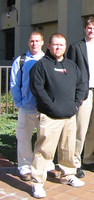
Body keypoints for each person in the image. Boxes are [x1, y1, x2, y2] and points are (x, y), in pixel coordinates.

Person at [29, 33, 86, 198]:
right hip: (50, 116)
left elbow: (81, 85)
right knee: (44, 151)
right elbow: (37, 89)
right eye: (55, 44)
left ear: (65, 47)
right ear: (48, 45)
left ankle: (68, 175)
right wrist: (51, 106)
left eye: (61, 45)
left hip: (69, 116)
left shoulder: (72, 66)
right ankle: (37, 183)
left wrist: (76, 103)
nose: (58, 47)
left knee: (68, 149)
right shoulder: (41, 66)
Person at [10, 31, 58, 182]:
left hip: (44, 109)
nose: (34, 43)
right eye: (32, 41)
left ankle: (47, 165)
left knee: (45, 139)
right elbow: (14, 84)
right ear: (29, 42)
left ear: (43, 42)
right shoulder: (20, 61)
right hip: (27, 107)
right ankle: (24, 167)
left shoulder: (49, 60)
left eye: (37, 41)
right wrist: (19, 104)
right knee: (24, 138)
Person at [67, 16, 94, 178]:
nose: (92, 31)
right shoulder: (75, 47)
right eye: (89, 28)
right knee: (80, 129)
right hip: (83, 94)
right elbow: (70, 72)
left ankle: (89, 159)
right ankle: (75, 163)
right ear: (85, 29)